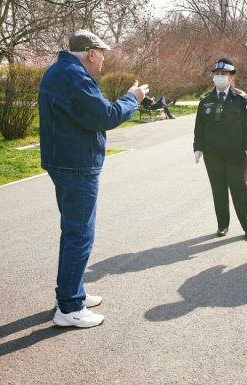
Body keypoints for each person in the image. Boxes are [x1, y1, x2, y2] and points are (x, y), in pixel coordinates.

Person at [39, 30, 149, 328]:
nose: (103, 63)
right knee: (80, 235)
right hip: (76, 164)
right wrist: (132, 98)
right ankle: (70, 308)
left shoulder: (61, 72)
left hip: (65, 161)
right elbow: (105, 117)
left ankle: (72, 293)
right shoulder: (75, 77)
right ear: (91, 53)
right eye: (102, 56)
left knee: (74, 231)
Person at [193, 58, 247, 241]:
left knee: (239, 190)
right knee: (218, 190)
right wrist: (198, 147)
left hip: (236, 154)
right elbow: (199, 127)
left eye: (224, 74)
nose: (220, 77)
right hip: (213, 154)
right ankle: (223, 225)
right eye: (217, 74)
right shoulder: (205, 100)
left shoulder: (241, 99)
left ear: (231, 78)